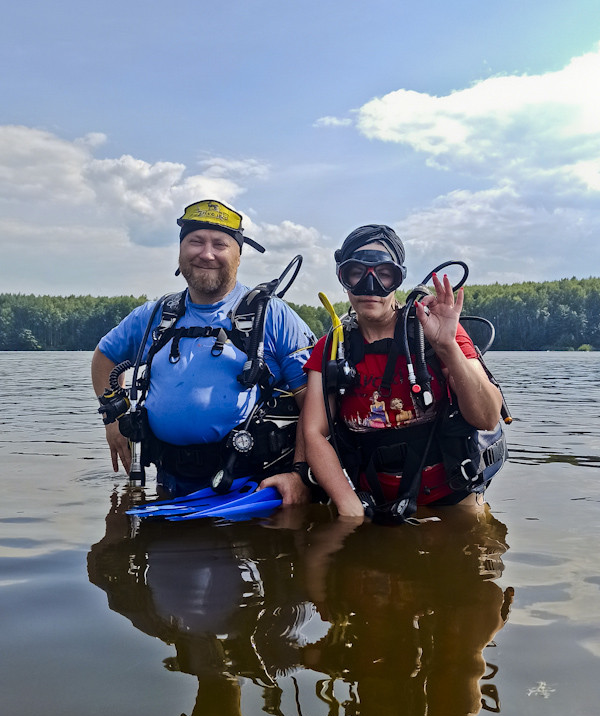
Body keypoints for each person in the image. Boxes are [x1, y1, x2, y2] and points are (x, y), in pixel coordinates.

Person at [92, 199, 314, 503]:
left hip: (251, 490)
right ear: (181, 250)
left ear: (238, 255)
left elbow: (315, 404)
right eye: (195, 241)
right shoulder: (154, 314)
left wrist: (300, 474)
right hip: (169, 484)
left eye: (220, 244)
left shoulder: (272, 316)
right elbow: (104, 357)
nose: (206, 253)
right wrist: (113, 420)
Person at [302, 224, 506, 521]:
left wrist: (447, 346)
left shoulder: (433, 328)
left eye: (384, 274)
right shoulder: (331, 348)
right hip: (373, 504)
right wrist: (349, 508)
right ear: (342, 278)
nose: (370, 287)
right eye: (356, 272)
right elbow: (313, 432)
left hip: (453, 499)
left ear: (398, 278)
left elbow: (487, 418)